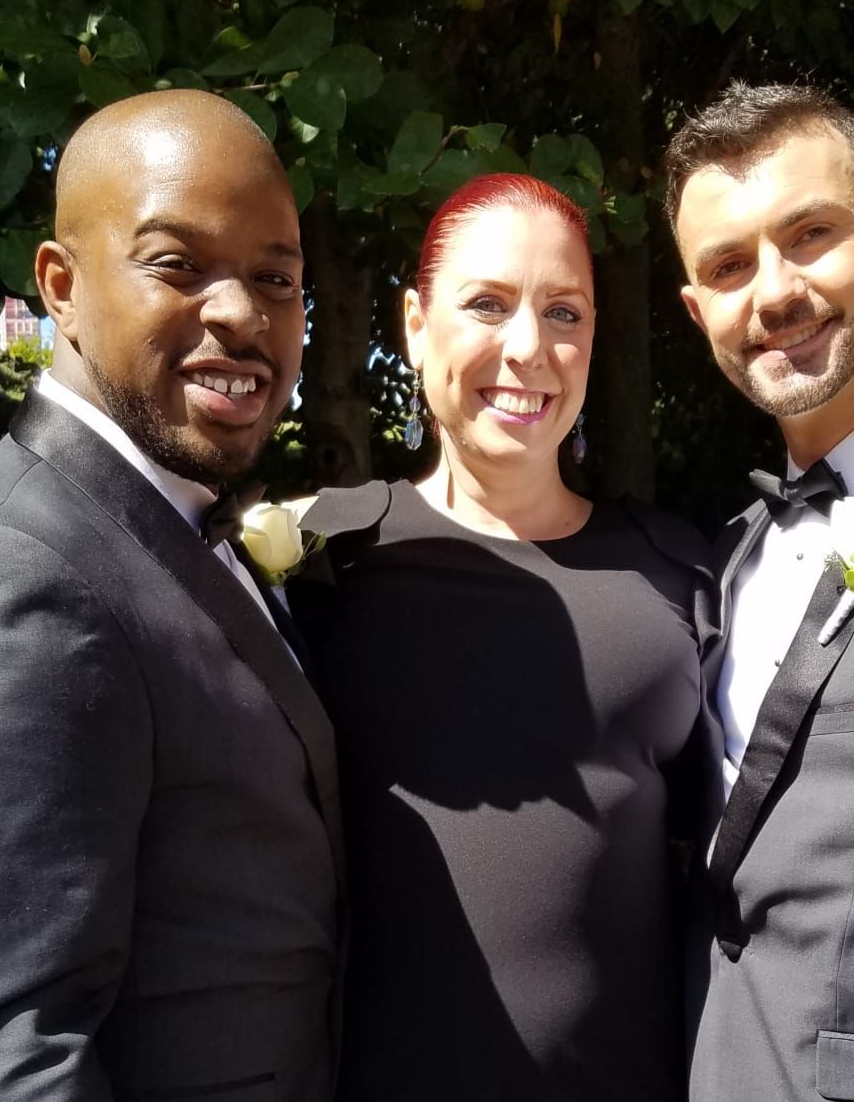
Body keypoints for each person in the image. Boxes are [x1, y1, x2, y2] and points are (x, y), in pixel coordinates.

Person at [288, 173, 718, 1102]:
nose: (529, 346)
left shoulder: (675, 575)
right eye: (487, 303)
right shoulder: (322, 561)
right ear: (415, 325)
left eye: (564, 312)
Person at [0, 90, 344, 1100]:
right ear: (61, 286)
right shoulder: (33, 569)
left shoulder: (171, 522)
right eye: (178, 265)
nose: (241, 314)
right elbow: (23, 1047)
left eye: (275, 278)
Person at [666, 81, 854, 1102]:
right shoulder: (722, 558)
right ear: (696, 309)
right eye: (727, 265)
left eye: (810, 235)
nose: (774, 291)